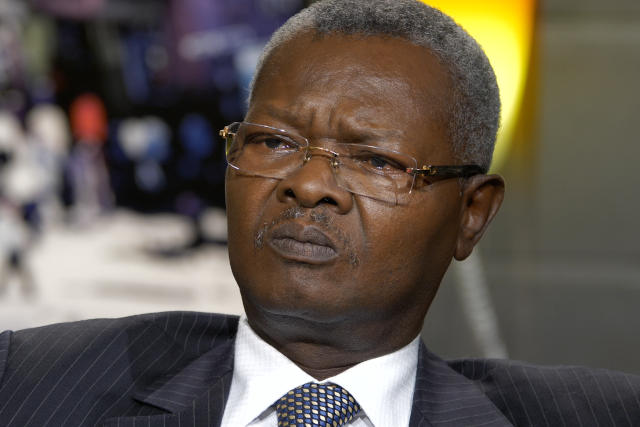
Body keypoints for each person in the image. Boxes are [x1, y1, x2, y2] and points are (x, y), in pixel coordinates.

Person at [0, 1, 638, 426]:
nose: (307, 185)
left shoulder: (598, 415)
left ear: (472, 213)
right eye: (273, 143)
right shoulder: (28, 386)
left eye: (375, 161)